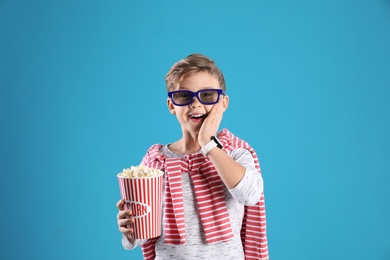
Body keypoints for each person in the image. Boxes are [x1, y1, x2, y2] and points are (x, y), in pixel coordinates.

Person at [116, 54, 269, 259]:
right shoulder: (154, 162)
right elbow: (144, 232)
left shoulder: (235, 152)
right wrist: (130, 229)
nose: (195, 103)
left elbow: (250, 195)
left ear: (223, 103)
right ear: (171, 105)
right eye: (184, 96)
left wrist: (208, 143)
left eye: (207, 95)